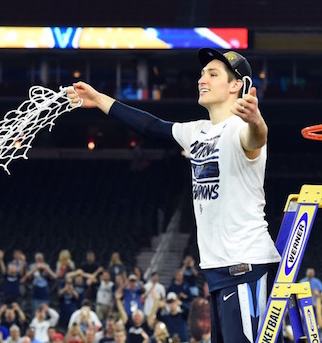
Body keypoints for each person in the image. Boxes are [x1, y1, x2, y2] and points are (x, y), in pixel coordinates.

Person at [70, 48, 281, 343]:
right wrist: (98, 99)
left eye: (213, 73)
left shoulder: (239, 129)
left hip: (246, 265)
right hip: (219, 272)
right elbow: (151, 126)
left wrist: (256, 119)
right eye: (202, 73)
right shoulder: (197, 131)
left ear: (236, 85)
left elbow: (256, 137)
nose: (202, 79)